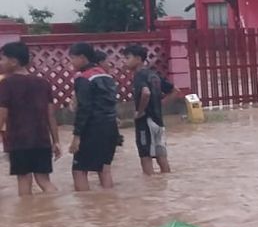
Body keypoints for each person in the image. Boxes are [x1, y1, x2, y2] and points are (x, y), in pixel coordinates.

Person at [0, 41, 60, 195]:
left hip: (19, 142)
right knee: (44, 181)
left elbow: (2, 114)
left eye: (2, 59)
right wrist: (56, 141)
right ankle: (56, 207)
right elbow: (51, 115)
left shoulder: (6, 84)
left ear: (13, 62)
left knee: (24, 180)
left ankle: (27, 216)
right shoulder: (43, 83)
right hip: (42, 141)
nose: (0, 63)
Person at [68, 42, 120, 191]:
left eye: (72, 58)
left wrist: (76, 136)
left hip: (93, 129)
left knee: (79, 170)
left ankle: (87, 209)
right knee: (104, 169)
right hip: (110, 127)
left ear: (83, 58)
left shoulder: (83, 78)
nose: (70, 62)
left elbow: (84, 109)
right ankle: (107, 203)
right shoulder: (106, 76)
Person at [121, 44, 171, 174]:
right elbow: (175, 91)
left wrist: (140, 111)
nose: (124, 61)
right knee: (161, 155)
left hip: (145, 122)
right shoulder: (153, 75)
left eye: (127, 58)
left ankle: (150, 186)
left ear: (138, 59)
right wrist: (160, 104)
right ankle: (163, 183)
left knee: (145, 156)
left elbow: (146, 92)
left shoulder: (139, 75)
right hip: (158, 121)